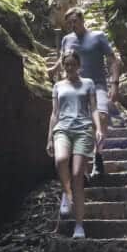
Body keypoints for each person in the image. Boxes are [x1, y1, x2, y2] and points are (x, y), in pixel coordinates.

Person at [49, 7, 119, 178]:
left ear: (82, 20)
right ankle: (83, 167)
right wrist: (54, 69)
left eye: (75, 21)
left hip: (97, 85)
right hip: (75, 88)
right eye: (69, 22)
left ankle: (98, 156)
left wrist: (115, 83)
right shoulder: (67, 39)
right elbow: (64, 58)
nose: (72, 25)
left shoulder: (97, 37)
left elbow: (113, 60)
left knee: (101, 118)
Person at [46, 50, 103, 237]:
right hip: (62, 128)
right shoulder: (58, 86)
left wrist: (99, 128)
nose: (69, 67)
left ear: (79, 66)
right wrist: (49, 137)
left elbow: (93, 108)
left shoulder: (88, 83)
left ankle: (79, 225)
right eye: (67, 64)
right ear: (63, 65)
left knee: (78, 174)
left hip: (83, 129)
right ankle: (66, 192)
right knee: (61, 160)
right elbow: (54, 113)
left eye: (73, 64)